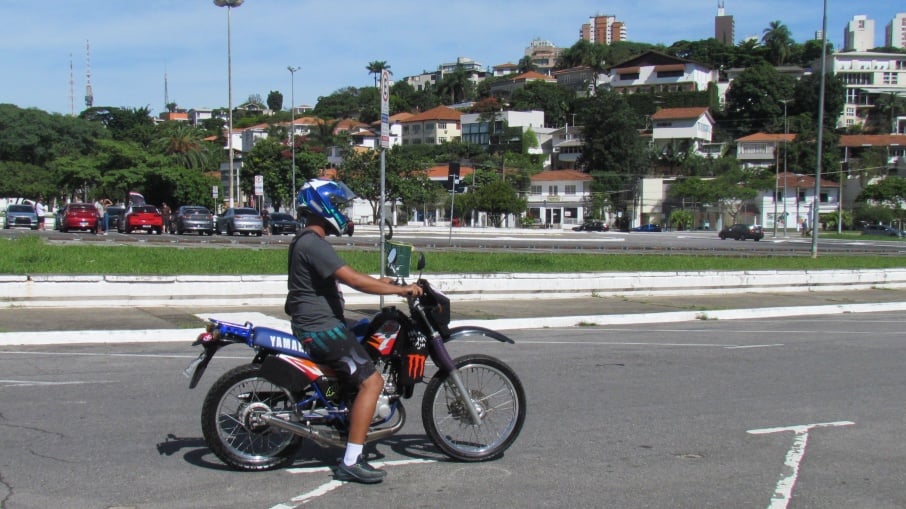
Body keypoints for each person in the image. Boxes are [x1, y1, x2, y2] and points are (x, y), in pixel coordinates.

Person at [286, 178, 422, 484]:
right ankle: (350, 461)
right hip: (321, 328)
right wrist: (401, 290)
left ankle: (348, 412)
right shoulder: (312, 243)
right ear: (322, 206)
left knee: (368, 331)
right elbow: (354, 280)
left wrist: (391, 284)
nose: (343, 211)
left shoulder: (307, 240)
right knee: (371, 383)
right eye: (338, 204)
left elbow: (354, 276)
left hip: (320, 322)